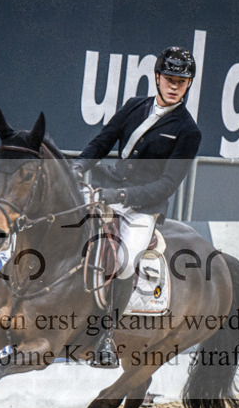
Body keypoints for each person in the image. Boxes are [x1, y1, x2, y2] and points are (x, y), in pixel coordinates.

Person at [71, 46, 202, 367]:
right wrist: (79, 166)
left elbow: (168, 183)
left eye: (181, 82)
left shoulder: (188, 130)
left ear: (188, 85)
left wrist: (125, 197)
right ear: (157, 77)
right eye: (169, 78)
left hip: (143, 208)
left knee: (126, 259)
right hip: (105, 188)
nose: (174, 85)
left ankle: (106, 336)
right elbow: (103, 140)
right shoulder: (133, 107)